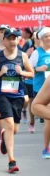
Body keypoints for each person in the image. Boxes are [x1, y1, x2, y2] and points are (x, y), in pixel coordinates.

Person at [0, 28, 34, 172]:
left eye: (15, 38)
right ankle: (11, 161)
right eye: (9, 38)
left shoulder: (23, 56)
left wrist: (22, 72)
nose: (12, 41)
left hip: (17, 95)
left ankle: (4, 136)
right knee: (9, 123)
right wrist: (0, 73)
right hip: (1, 94)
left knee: (14, 128)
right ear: (4, 40)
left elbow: (31, 73)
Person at [29, 27, 50, 158]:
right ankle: (46, 148)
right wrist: (38, 69)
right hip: (41, 87)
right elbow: (30, 71)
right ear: (41, 39)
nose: (48, 38)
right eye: (46, 36)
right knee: (48, 120)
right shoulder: (37, 53)